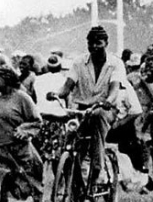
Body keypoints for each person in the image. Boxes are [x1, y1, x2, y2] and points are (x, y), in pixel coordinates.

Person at [47, 26, 126, 187]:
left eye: (98, 43)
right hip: (82, 110)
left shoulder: (115, 63)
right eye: (90, 43)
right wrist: (56, 93)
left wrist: (108, 101)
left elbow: (114, 88)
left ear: (106, 43)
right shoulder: (79, 62)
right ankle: (74, 187)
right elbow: (67, 87)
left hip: (105, 110)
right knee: (70, 143)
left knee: (97, 116)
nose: (94, 46)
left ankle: (98, 168)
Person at [0, 67, 45, 202]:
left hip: (19, 149)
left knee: (27, 182)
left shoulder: (22, 98)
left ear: (7, 79)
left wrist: (24, 130)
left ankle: (37, 196)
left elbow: (37, 121)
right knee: (2, 184)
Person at [33, 54, 69, 172]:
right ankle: (58, 180)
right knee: (57, 157)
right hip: (58, 120)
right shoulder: (64, 80)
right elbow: (69, 101)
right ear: (60, 67)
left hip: (42, 119)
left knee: (39, 154)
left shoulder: (38, 80)